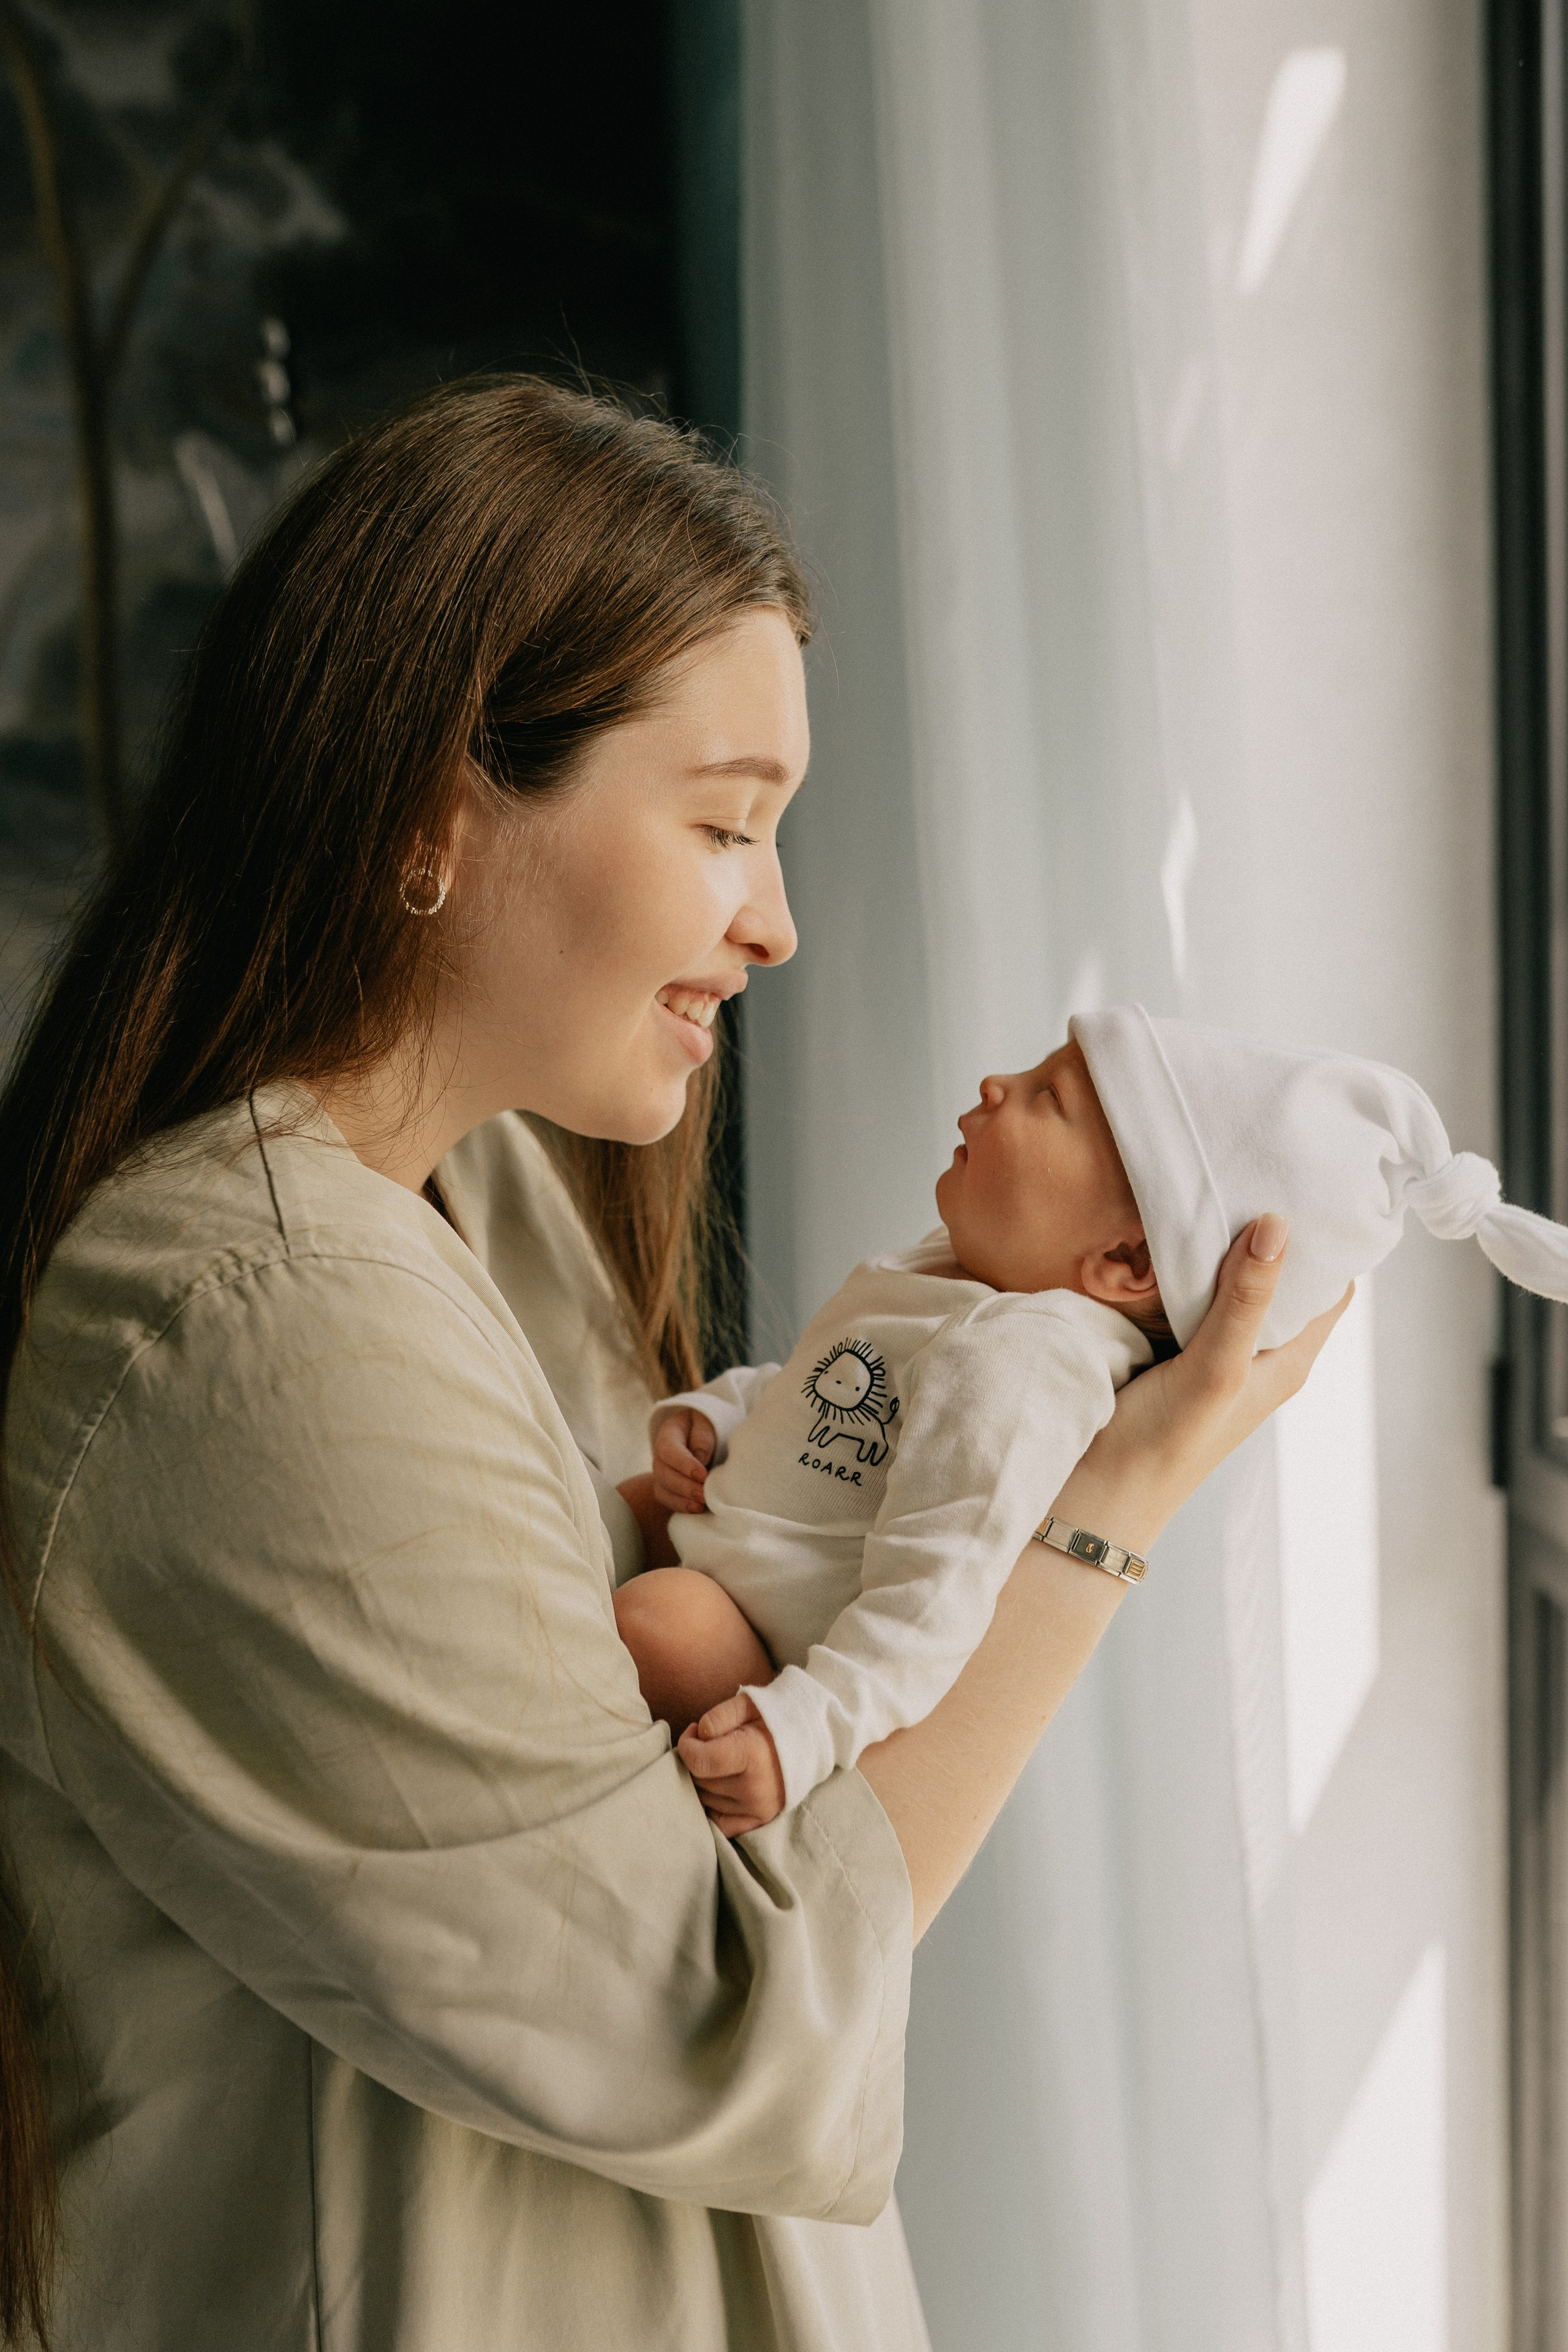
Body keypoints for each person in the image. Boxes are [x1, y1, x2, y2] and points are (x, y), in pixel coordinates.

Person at [0, 377, 1342, 2352]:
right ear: (435, 817)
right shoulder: (257, 1321)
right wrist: (1105, 1510)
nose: (778, 922)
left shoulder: (487, 1204)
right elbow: (733, 2026)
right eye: (725, 823)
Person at [624, 1005, 1568, 1839]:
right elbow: (823, 1388)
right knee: (612, 1503)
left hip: (763, 1643)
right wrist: (719, 1418)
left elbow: (933, 1593)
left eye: (1047, 1099)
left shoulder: (1025, 1362)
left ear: (1122, 1262)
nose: (997, 1084)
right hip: (726, 1534)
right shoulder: (953, 1272)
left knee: (663, 1624)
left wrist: (803, 1726)